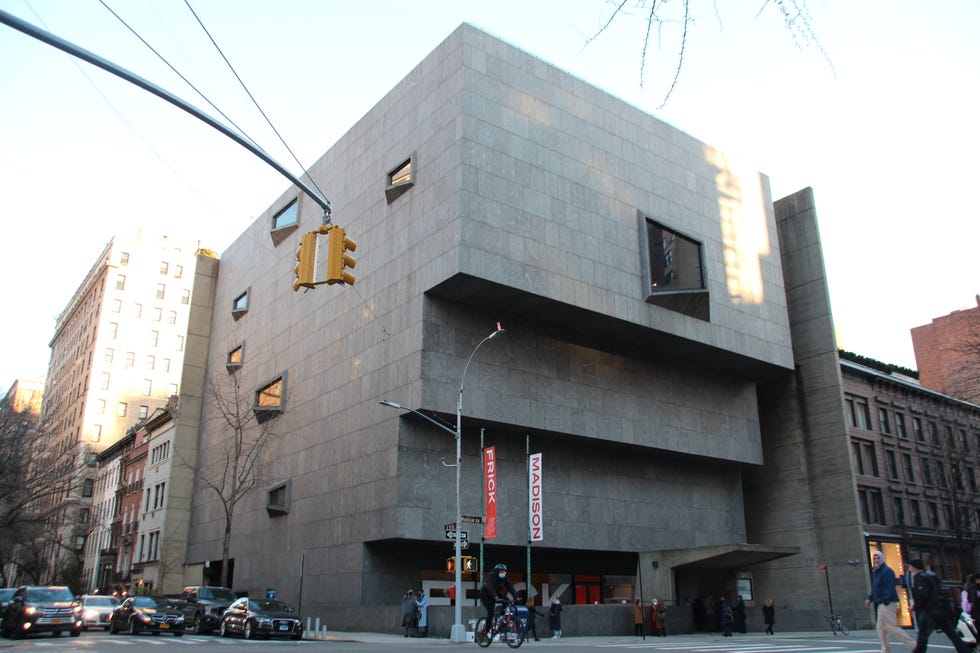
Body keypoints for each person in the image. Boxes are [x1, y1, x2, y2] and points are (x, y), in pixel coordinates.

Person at [908, 558, 972, 653]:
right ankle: (964, 650)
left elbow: (923, 595)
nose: (909, 568)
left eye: (910, 566)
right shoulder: (931, 575)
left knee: (922, 635)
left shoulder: (920, 578)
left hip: (929, 610)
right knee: (950, 632)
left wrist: (915, 606)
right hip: (940, 609)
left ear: (914, 567)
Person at [865, 550, 915, 653]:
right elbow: (876, 588)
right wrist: (870, 598)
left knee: (891, 627)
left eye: (878, 558)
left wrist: (884, 599)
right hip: (881, 603)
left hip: (887, 603)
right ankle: (886, 649)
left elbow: (889, 587)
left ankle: (913, 646)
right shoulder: (876, 572)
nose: (876, 560)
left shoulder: (887, 571)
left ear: (882, 559)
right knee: (881, 628)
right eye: (874, 558)